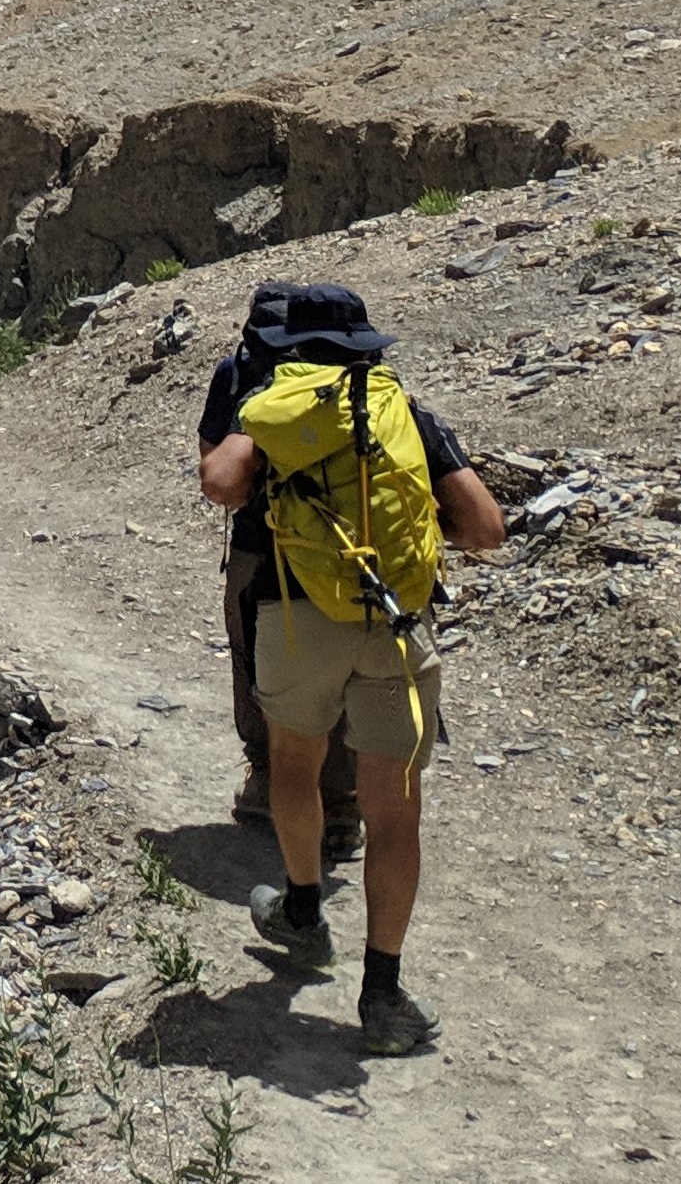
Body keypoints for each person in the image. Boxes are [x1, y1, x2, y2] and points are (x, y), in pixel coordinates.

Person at [198, 280, 506, 1057]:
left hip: (297, 620)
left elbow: (219, 486)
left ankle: (303, 914)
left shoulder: (276, 406)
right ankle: (383, 992)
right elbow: (487, 528)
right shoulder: (402, 410)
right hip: (398, 625)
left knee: (294, 766)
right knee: (395, 812)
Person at [196, 290, 360, 865]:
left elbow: (217, 476)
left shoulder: (240, 374)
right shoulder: (358, 381)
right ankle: (341, 805)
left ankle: (268, 781)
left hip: (258, 544)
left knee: (255, 659)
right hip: (349, 548)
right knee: (341, 674)